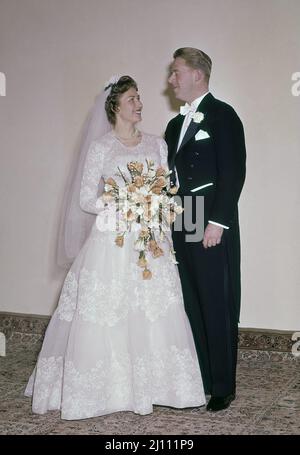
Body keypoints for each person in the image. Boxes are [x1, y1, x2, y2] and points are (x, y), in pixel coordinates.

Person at [24, 75, 206, 420]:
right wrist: (125, 203)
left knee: (155, 309)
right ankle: (107, 389)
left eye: (139, 99)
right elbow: (85, 200)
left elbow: (166, 188)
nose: (139, 104)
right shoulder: (102, 148)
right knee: (108, 310)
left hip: (151, 240)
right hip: (113, 238)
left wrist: (151, 205)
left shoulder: (156, 144)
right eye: (133, 99)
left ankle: (162, 387)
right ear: (116, 106)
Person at [165, 48, 246, 412]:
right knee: (191, 300)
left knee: (216, 299)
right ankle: (198, 377)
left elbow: (233, 172)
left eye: (176, 72)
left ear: (197, 74)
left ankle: (222, 386)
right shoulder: (172, 125)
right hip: (184, 216)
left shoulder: (223, 115)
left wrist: (218, 222)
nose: (171, 79)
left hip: (210, 216)